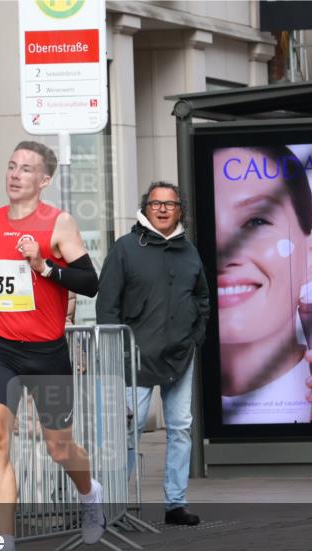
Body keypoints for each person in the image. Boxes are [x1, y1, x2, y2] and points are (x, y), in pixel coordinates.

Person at [0, 141, 103, 551]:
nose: (15, 174)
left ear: (44, 180)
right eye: (11, 166)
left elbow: (90, 282)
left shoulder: (58, 223)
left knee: (59, 448)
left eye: (26, 169)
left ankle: (89, 492)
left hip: (47, 352)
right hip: (0, 347)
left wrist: (43, 267)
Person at [213, 146, 312, 424]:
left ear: (310, 253)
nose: (225, 252)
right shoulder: (181, 403)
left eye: (256, 221)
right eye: (206, 226)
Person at [96, 181, 210, 526]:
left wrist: (196, 337)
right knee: (126, 433)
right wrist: (115, 352)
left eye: (170, 204)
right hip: (135, 359)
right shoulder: (125, 249)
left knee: (180, 429)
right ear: (145, 208)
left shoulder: (189, 251)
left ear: (180, 211)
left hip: (180, 355)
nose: (162, 209)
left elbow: (202, 299)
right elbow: (107, 305)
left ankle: (175, 503)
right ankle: (113, 507)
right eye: (155, 203)